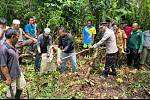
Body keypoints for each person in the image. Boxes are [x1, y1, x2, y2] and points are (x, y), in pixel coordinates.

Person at [0, 28, 26, 99]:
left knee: (21, 85)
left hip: (17, 72)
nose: (18, 38)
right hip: (11, 75)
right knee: (11, 94)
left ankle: (17, 97)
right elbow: (3, 66)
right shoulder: (3, 49)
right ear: (12, 37)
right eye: (17, 36)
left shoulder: (13, 45)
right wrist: (8, 78)